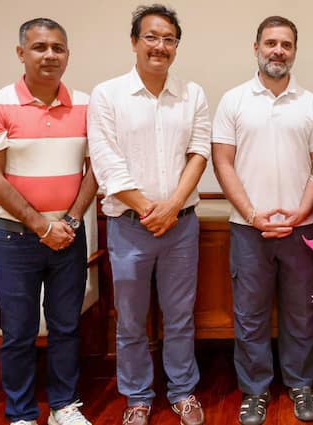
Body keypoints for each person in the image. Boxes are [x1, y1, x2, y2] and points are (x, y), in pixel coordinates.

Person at [87, 5, 210, 425]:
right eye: (152, 37)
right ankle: (138, 396)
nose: (160, 46)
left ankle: (182, 391)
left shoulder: (192, 94)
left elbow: (199, 153)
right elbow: (106, 161)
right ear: (135, 41)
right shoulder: (108, 94)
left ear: (177, 46)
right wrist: (146, 209)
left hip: (181, 225)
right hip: (128, 227)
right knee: (131, 320)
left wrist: (172, 206)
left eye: (169, 39)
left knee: (180, 316)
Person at [0, 17, 97, 425]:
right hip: (15, 240)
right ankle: (22, 414)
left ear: (67, 54)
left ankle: (64, 406)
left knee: (66, 327)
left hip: (69, 236)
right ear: (21, 52)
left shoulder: (85, 104)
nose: (49, 55)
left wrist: (71, 221)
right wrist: (41, 225)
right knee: (19, 332)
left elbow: (95, 169)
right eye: (40, 47)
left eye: (57, 48)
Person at [211, 15, 313, 425]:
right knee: (250, 314)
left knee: (300, 312)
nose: (278, 50)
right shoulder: (233, 100)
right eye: (271, 43)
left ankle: (300, 384)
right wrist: (252, 214)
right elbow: (222, 162)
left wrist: (301, 210)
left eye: (286, 44)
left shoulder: (311, 104)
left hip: (303, 227)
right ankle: (255, 390)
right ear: (256, 47)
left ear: (295, 50)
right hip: (248, 229)